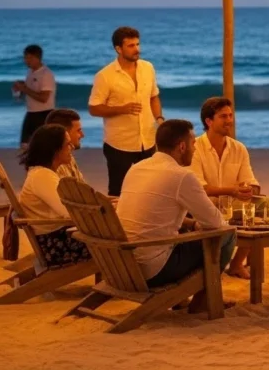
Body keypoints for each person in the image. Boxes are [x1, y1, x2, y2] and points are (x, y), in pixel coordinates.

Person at [116, 120, 235, 312]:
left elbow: (155, 215)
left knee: (185, 237)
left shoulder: (136, 168)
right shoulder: (181, 176)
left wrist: (191, 223)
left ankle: (179, 299)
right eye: (193, 143)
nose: (195, 149)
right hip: (153, 269)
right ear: (182, 146)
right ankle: (203, 299)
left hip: (123, 265)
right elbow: (216, 223)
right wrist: (200, 224)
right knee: (228, 235)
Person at [88, 26, 163, 197]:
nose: (137, 49)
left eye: (137, 44)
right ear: (118, 49)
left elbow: (154, 96)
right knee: (118, 191)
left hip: (148, 140)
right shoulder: (105, 76)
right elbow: (93, 108)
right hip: (119, 143)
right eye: (131, 46)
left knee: (149, 189)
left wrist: (159, 118)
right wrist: (121, 109)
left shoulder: (148, 68)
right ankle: (119, 224)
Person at [190, 97, 259, 278]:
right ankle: (211, 266)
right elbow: (199, 189)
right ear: (209, 121)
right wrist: (232, 190)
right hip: (204, 207)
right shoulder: (195, 147)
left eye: (230, 115)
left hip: (232, 206)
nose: (229, 120)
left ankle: (236, 264)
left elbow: (251, 181)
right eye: (223, 116)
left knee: (254, 209)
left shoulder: (239, 148)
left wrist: (249, 190)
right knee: (210, 206)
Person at [16, 124, 92, 267]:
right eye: (67, 145)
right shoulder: (42, 176)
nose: (72, 148)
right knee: (115, 243)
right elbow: (68, 213)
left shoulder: (44, 174)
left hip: (57, 239)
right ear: (54, 150)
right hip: (57, 245)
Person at [14, 44, 56, 150]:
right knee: (24, 145)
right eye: (25, 58)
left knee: (42, 147)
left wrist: (25, 89)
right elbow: (30, 91)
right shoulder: (30, 72)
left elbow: (43, 98)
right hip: (31, 113)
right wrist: (20, 88)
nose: (26, 61)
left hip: (44, 114)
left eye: (30, 58)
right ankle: (31, 166)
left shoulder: (46, 74)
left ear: (38, 58)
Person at [45, 108, 86, 181]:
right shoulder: (49, 166)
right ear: (65, 133)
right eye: (78, 131)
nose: (82, 135)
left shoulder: (68, 157)